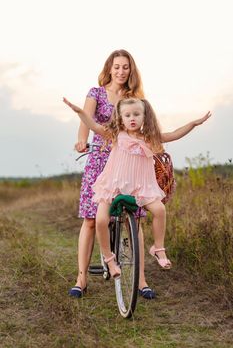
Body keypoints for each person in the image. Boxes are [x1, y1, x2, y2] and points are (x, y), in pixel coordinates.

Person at [63, 96, 211, 280]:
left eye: (136, 114)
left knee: (160, 210)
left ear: (144, 116)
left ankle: (158, 248)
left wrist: (194, 124)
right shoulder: (116, 135)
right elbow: (94, 126)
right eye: (127, 115)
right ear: (120, 118)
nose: (132, 118)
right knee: (101, 220)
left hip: (141, 188)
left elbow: (173, 134)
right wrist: (80, 112)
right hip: (114, 186)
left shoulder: (149, 138)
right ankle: (109, 258)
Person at [70, 50, 155, 300]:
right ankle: (82, 278)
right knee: (91, 219)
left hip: (127, 160)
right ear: (109, 68)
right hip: (99, 158)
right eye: (116, 67)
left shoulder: (133, 97)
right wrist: (81, 140)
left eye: (125, 67)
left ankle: (140, 280)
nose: (121, 71)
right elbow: (86, 120)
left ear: (131, 70)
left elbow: (145, 124)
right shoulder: (95, 93)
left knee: (134, 217)